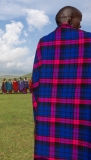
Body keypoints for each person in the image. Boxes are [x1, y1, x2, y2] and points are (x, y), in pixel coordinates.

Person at [32, 6, 91, 159]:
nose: (81, 25)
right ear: (71, 20)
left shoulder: (43, 43)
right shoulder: (89, 40)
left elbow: (36, 87)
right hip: (83, 121)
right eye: (80, 21)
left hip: (50, 124)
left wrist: (39, 121)